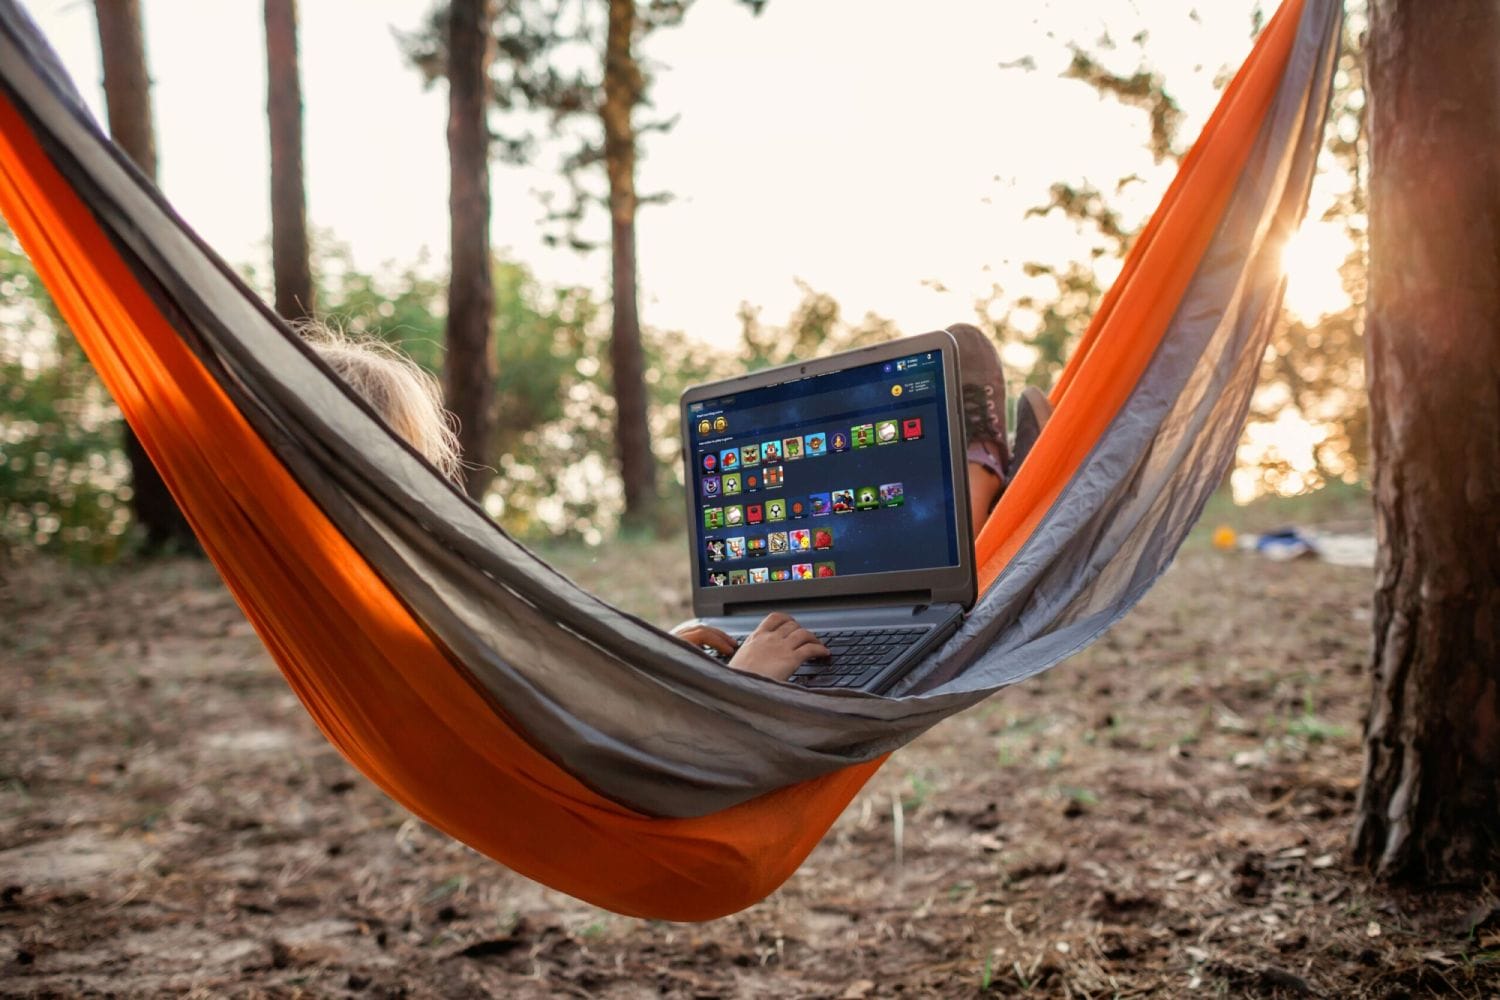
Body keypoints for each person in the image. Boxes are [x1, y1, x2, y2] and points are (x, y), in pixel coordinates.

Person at [304, 321, 1048, 685]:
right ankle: (986, 483)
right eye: (419, 454)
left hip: (669, 700)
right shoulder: (417, 611)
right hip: (701, 749)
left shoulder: (374, 606)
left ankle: (983, 483)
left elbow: (559, 699)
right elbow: (613, 753)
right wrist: (746, 686)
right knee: (932, 594)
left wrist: (665, 660)